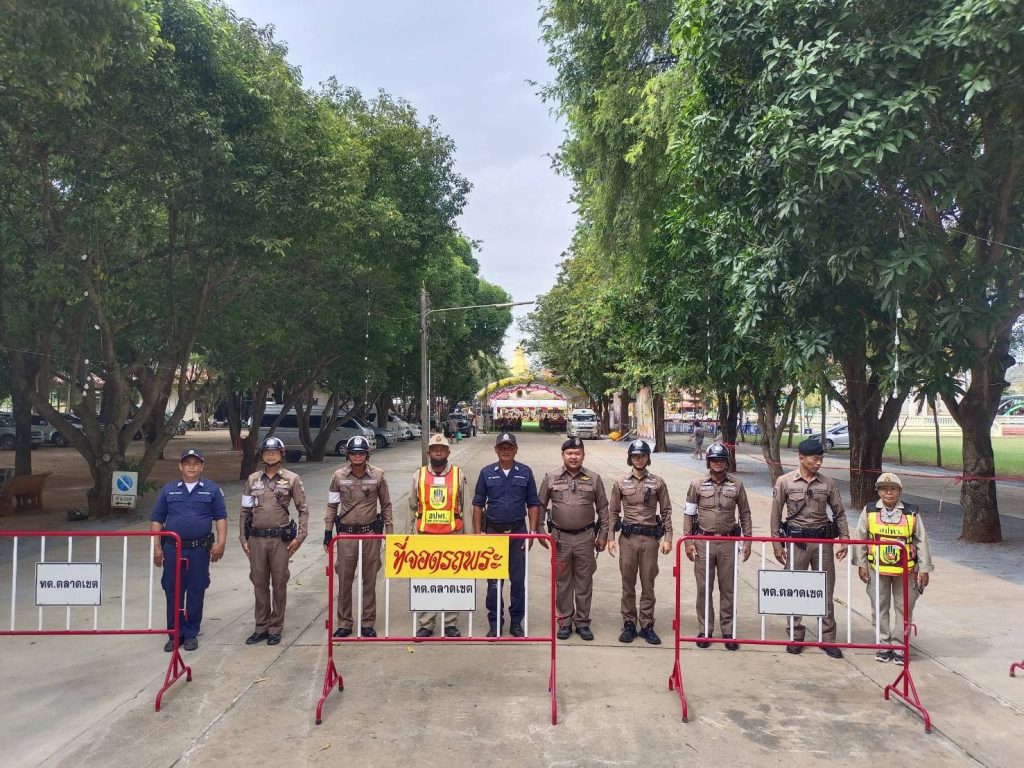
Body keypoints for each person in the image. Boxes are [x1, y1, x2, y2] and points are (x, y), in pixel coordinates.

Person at [770, 438, 850, 658]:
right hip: (797, 544)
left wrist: (844, 537)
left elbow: (839, 512)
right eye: (814, 459)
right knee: (795, 589)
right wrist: (777, 543)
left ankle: (828, 638)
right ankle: (795, 636)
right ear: (801, 458)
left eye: (821, 458)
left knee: (825, 589)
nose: (818, 463)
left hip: (823, 543)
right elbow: (776, 514)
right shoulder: (785, 482)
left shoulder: (828, 483)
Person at [150, 448, 228, 652]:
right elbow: (157, 519)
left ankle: (191, 633)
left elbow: (220, 517)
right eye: (187, 463)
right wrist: (156, 546)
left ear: (202, 466)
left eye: (195, 463)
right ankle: (174, 634)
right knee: (172, 590)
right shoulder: (169, 490)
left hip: (199, 550)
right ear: (180, 466)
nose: (191, 467)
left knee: (196, 590)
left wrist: (221, 543)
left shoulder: (212, 489)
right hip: (173, 549)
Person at [852, 473, 934, 664]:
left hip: (906, 570)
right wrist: (861, 564)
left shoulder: (911, 512)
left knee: (904, 608)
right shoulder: (869, 510)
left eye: (893, 489)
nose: (888, 493)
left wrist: (924, 569)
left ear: (899, 491)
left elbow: (922, 541)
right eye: (883, 489)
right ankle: (883, 644)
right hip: (876, 568)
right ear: (878, 491)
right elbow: (861, 537)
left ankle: (899, 646)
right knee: (879, 606)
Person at [472, 432, 544, 637]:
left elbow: (533, 503)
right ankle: (495, 623)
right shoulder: (486, 473)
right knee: (494, 583)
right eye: (502, 447)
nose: (506, 450)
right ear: (496, 450)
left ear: (516, 449)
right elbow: (477, 505)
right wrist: (478, 534)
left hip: (517, 533)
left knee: (518, 582)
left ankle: (516, 623)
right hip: (493, 533)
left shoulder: (525, 472)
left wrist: (531, 532)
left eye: (509, 447)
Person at [538, 437, 611, 641]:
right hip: (559, 539)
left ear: (583, 455)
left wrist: (603, 534)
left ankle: (582, 622)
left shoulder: (594, 478)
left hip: (585, 538)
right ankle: (564, 621)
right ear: (563, 455)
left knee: (584, 582)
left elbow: (603, 508)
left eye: (577, 453)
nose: (573, 457)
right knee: (562, 582)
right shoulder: (551, 477)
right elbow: (540, 505)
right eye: (569, 453)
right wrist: (540, 530)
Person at [240, 436, 309, 646]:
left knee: (279, 583)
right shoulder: (252, 480)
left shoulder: (292, 479)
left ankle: (275, 627)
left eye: (274, 452)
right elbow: (245, 511)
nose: (270, 455)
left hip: (280, 540)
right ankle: (261, 626)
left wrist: (300, 537)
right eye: (267, 452)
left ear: (281, 454)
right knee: (259, 582)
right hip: (256, 539)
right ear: (262, 455)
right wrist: (243, 538)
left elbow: (303, 509)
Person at [683, 443, 752, 650]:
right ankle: (705, 630)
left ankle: (728, 631)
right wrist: (688, 541)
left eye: (721, 460)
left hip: (728, 543)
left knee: (728, 588)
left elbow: (745, 514)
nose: (718, 463)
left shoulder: (737, 485)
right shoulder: (696, 485)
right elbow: (689, 514)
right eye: (714, 460)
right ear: (708, 462)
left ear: (726, 462)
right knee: (704, 588)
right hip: (704, 542)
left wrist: (747, 540)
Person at [323, 435, 394, 638]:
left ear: (367, 455)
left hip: (370, 534)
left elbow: (386, 505)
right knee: (344, 580)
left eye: (361, 453)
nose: (357, 457)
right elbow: (332, 506)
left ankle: (367, 623)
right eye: (353, 453)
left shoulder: (378, 475)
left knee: (369, 580)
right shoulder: (338, 476)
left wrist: (389, 534)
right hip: (346, 536)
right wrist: (328, 532)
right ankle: (344, 623)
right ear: (348, 455)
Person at [608, 440, 673, 645]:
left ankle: (646, 625)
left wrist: (668, 538)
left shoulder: (658, 483)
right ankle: (629, 623)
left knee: (648, 583)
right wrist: (610, 538)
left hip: (650, 540)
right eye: (635, 456)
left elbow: (666, 511)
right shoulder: (620, 482)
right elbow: (613, 512)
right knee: (628, 583)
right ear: (630, 458)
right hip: (628, 539)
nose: (639, 459)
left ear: (648, 458)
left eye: (643, 455)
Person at [410, 433, 467, 638]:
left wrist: (469, 537)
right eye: (434, 450)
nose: (438, 453)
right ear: (429, 453)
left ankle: (450, 623)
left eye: (442, 449)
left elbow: (465, 507)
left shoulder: (459, 475)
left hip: (452, 535)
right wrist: (408, 537)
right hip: (425, 536)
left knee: (453, 581)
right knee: (426, 581)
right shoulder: (418, 475)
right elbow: (412, 506)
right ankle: (426, 624)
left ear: (448, 452)